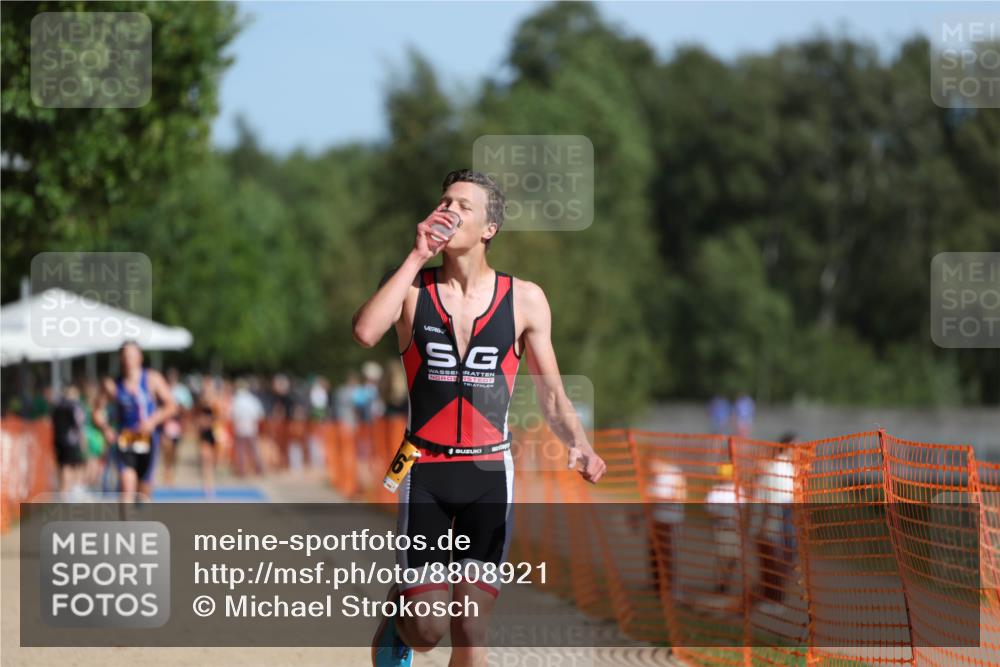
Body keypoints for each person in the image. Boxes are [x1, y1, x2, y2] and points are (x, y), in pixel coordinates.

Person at [352, 169, 607, 667]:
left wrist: (579, 442)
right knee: (427, 629)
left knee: (470, 623)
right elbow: (365, 332)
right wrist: (416, 254)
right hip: (424, 470)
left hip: (490, 473)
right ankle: (399, 625)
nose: (449, 209)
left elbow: (552, 393)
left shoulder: (525, 298)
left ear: (490, 228)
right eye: (444, 201)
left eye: (463, 205)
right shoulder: (411, 288)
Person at [93, 341, 176, 505]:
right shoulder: (113, 385)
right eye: (124, 356)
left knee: (144, 493)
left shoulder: (152, 379)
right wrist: (105, 429)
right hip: (126, 438)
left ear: (140, 357)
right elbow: (96, 413)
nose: (128, 359)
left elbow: (171, 406)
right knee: (126, 486)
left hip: (148, 439)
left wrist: (152, 421)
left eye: (131, 355)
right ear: (120, 359)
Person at [752, 433, 797, 616]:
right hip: (775, 518)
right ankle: (772, 598)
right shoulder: (778, 467)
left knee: (777, 561)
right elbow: (773, 499)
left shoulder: (785, 467)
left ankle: (774, 598)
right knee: (772, 561)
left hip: (780, 518)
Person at [646, 457, 687, 602]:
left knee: (670, 557)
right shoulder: (654, 477)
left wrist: (658, 498)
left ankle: (673, 590)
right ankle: (659, 588)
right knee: (655, 555)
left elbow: (680, 496)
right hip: (656, 521)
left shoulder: (675, 474)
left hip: (671, 521)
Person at [706, 464, 741, 604]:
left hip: (734, 529)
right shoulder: (716, 491)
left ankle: (726, 580)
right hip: (721, 528)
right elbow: (711, 511)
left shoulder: (738, 490)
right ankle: (721, 583)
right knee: (721, 558)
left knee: (734, 558)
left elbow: (742, 511)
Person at [51, 384, 86, 495]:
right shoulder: (74, 407)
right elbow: (79, 425)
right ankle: (70, 489)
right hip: (71, 441)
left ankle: (64, 490)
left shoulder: (57, 407)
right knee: (72, 465)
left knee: (63, 466)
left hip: (58, 440)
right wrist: (82, 440)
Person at [231, 378, 265, 477]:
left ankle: (242, 471)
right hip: (251, 427)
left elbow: (233, 414)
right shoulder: (253, 399)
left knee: (241, 450)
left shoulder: (236, 399)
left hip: (240, 427)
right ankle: (259, 469)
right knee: (254, 449)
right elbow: (259, 414)